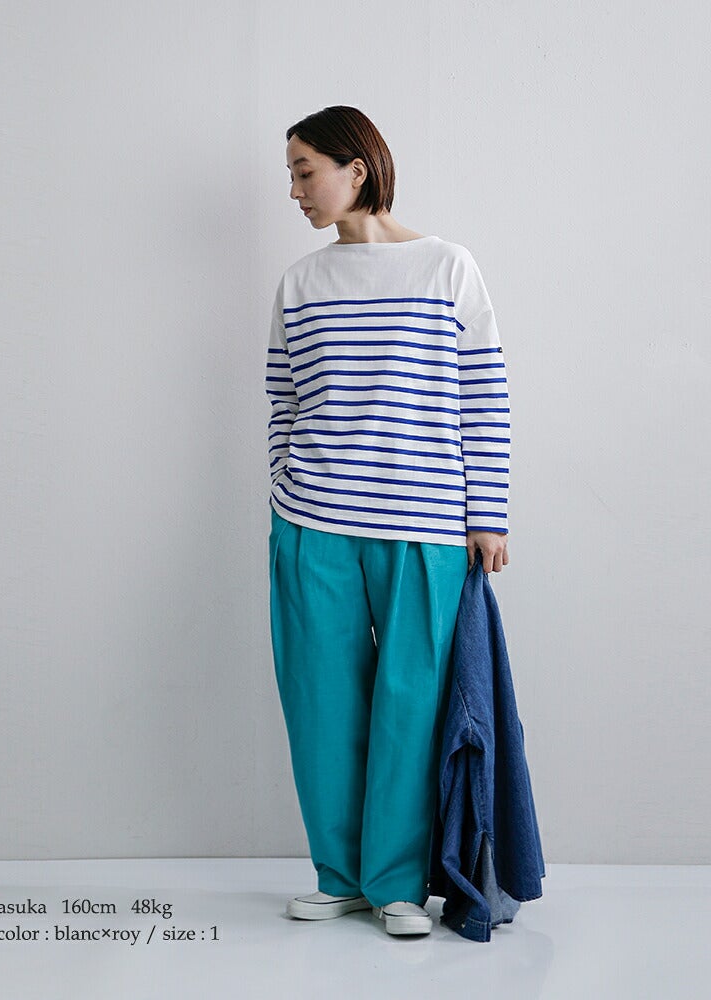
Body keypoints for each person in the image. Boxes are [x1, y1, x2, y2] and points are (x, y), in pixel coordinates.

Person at [265, 105, 510, 937]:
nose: (295, 191)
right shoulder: (300, 282)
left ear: (356, 168)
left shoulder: (447, 267)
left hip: (425, 527)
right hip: (313, 524)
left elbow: (484, 396)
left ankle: (397, 883)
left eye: (305, 171)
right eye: (291, 175)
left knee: (411, 706)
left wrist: (488, 515)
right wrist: (283, 489)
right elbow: (283, 400)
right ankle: (340, 876)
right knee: (322, 705)